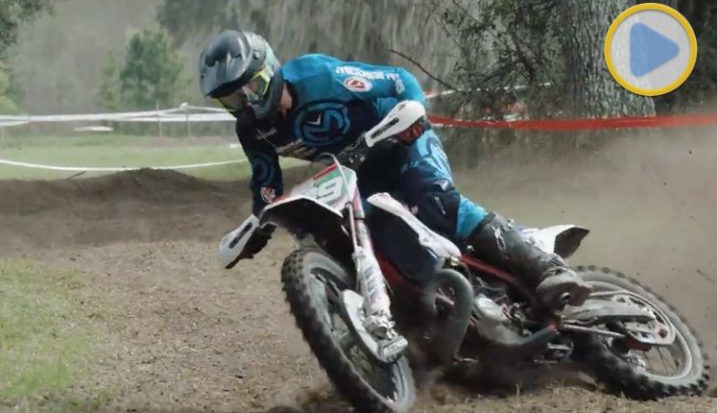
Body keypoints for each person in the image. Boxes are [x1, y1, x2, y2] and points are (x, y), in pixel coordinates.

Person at [200, 30, 592, 344]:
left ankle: (542, 266)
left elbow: (398, 80)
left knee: (433, 198)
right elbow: (266, 182)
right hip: (358, 173)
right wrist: (261, 222)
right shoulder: (251, 130)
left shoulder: (318, 76)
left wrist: (414, 116)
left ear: (270, 69)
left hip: (399, 140)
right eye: (231, 101)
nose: (246, 104)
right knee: (359, 238)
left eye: (250, 89)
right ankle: (428, 318)